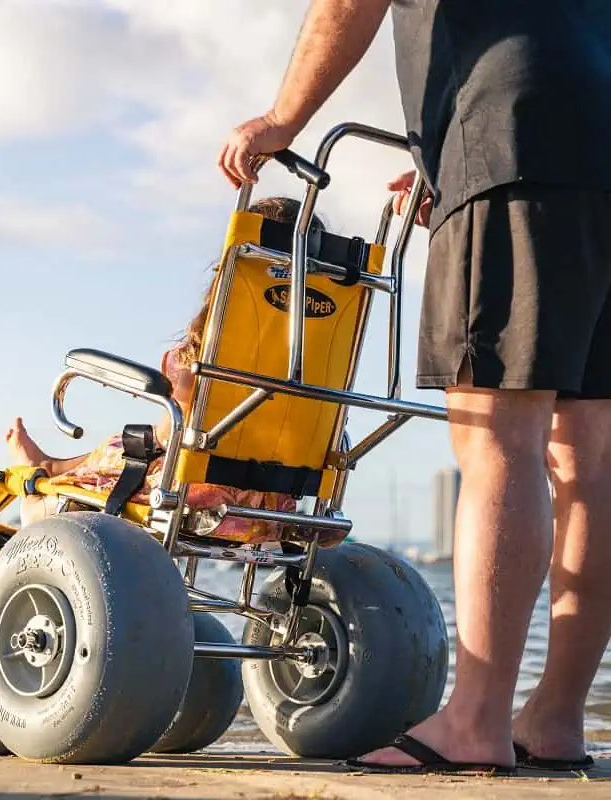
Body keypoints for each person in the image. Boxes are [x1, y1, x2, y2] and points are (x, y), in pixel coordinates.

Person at [218, 0, 611, 776]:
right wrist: (448, 161)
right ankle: (555, 719)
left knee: (500, 435)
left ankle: (474, 722)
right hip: (592, 147)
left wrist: (280, 118)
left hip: (513, 135)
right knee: (589, 458)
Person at [5, 195, 341, 545]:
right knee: (143, 446)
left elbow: (169, 434)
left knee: (139, 444)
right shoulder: (327, 349)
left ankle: (43, 477)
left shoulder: (217, 342)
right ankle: (52, 464)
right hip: (271, 507)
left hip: (193, 501)